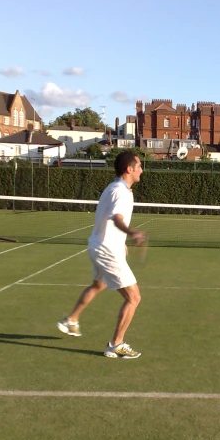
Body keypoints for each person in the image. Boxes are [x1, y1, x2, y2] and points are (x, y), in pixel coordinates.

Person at [56, 151, 146, 359]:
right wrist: (132, 233)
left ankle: (71, 320)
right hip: (107, 251)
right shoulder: (121, 192)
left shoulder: (113, 187)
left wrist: (121, 242)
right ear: (129, 169)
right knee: (134, 297)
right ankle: (116, 345)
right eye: (139, 166)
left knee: (99, 285)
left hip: (98, 246)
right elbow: (116, 218)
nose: (142, 169)